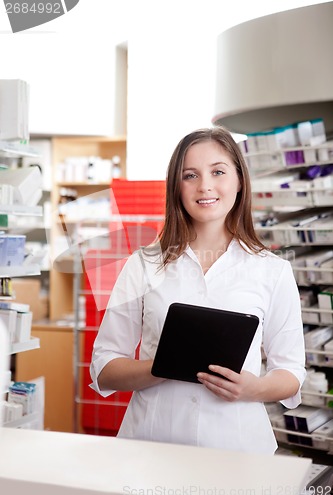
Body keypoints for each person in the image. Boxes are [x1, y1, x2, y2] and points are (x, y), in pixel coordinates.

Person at [90, 126, 306, 454]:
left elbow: (290, 371)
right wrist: (162, 367)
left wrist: (253, 388)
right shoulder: (143, 264)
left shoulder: (272, 271)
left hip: (237, 450)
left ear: (239, 180)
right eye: (190, 175)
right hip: (150, 446)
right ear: (176, 188)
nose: (204, 185)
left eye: (217, 171)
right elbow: (105, 368)